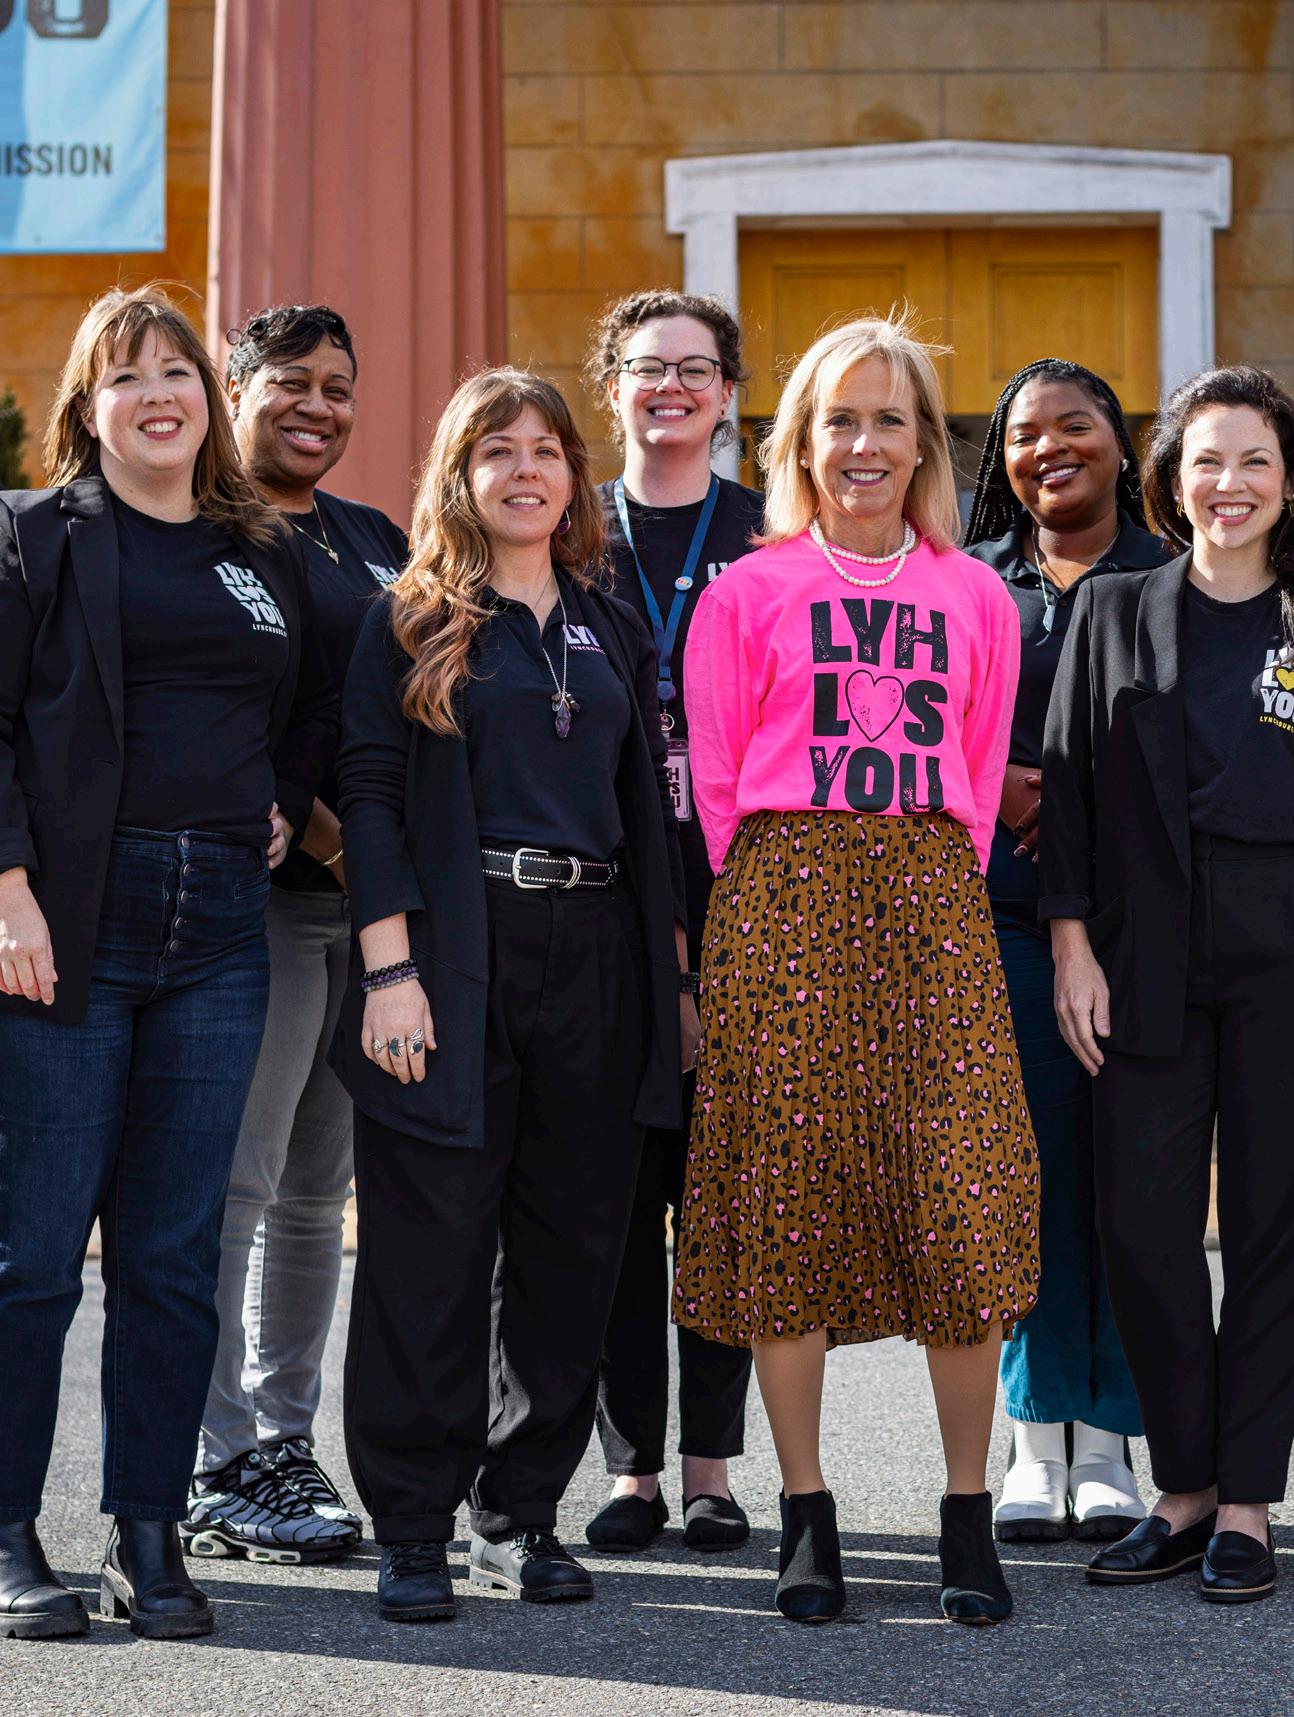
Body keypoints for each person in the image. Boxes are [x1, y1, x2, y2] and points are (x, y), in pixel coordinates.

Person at [0, 287, 335, 1642]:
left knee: (174, 1254)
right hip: (58, 921)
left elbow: (308, 704)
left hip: (217, 932)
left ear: (206, 398)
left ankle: (146, 1530)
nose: (157, 393)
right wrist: (0, 888)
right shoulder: (25, 532)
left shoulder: (258, 552)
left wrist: (278, 799)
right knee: (32, 1250)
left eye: (176, 369)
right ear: (89, 405)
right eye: (126, 375)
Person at [670, 316, 1038, 1626]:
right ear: (800, 442)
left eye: (891, 418)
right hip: (782, 903)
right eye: (841, 418)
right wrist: (790, 892)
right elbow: (718, 781)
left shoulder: (975, 595)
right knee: (788, 1204)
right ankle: (806, 1507)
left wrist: (917, 879)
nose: (865, 444)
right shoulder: (746, 592)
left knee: (959, 1198)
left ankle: (964, 1509)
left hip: (931, 904)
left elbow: (980, 772)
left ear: (924, 442)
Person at [334, 369, 686, 1624]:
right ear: (460, 473)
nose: (526, 469)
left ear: (573, 475)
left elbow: (648, 812)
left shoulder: (611, 623)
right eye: (500, 450)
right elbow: (368, 797)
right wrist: (389, 971)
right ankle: (413, 1525)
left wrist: (673, 982)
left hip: (595, 953)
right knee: (427, 1254)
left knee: (570, 1247)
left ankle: (518, 1510)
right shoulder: (409, 619)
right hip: (451, 953)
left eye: (546, 448)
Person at [1044, 366, 1294, 1607]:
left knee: (1277, 1227)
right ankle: (1182, 1487)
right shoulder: (1113, 606)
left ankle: (1243, 1501)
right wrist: (1072, 946)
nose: (1229, 483)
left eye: (1254, 460)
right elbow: (1068, 788)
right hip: (1145, 939)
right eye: (1206, 460)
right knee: (1141, 1226)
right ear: (1172, 477)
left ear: (1290, 478)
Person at [182, 304, 408, 1566]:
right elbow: (238, 721)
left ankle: (282, 1435)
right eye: (291, 383)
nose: (318, 406)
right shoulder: (207, 532)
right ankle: (216, 1453)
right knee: (241, 1184)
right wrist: (334, 842)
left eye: (339, 385)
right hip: (262, 905)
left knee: (321, 1194)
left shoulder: (375, 539)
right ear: (236, 388)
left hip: (361, 915)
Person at [960, 359, 1167, 1543]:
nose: (1050, 449)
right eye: (1025, 434)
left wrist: (1088, 800)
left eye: (1075, 426)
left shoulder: (1173, 573)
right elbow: (920, 721)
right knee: (1027, 1174)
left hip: (1146, 925)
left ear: (1120, 443)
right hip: (1005, 920)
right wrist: (996, 781)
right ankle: (1038, 1435)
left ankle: (1113, 1439)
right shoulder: (970, 582)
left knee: (1129, 1180)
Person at [579, 291, 768, 1557]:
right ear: (613, 387)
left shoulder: (768, 531)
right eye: (649, 369)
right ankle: (632, 1468)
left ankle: (710, 1467)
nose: (672, 389)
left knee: (722, 1200)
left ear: (727, 394)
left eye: (696, 370)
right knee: (614, 1198)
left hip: (741, 898)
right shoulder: (567, 526)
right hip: (601, 901)